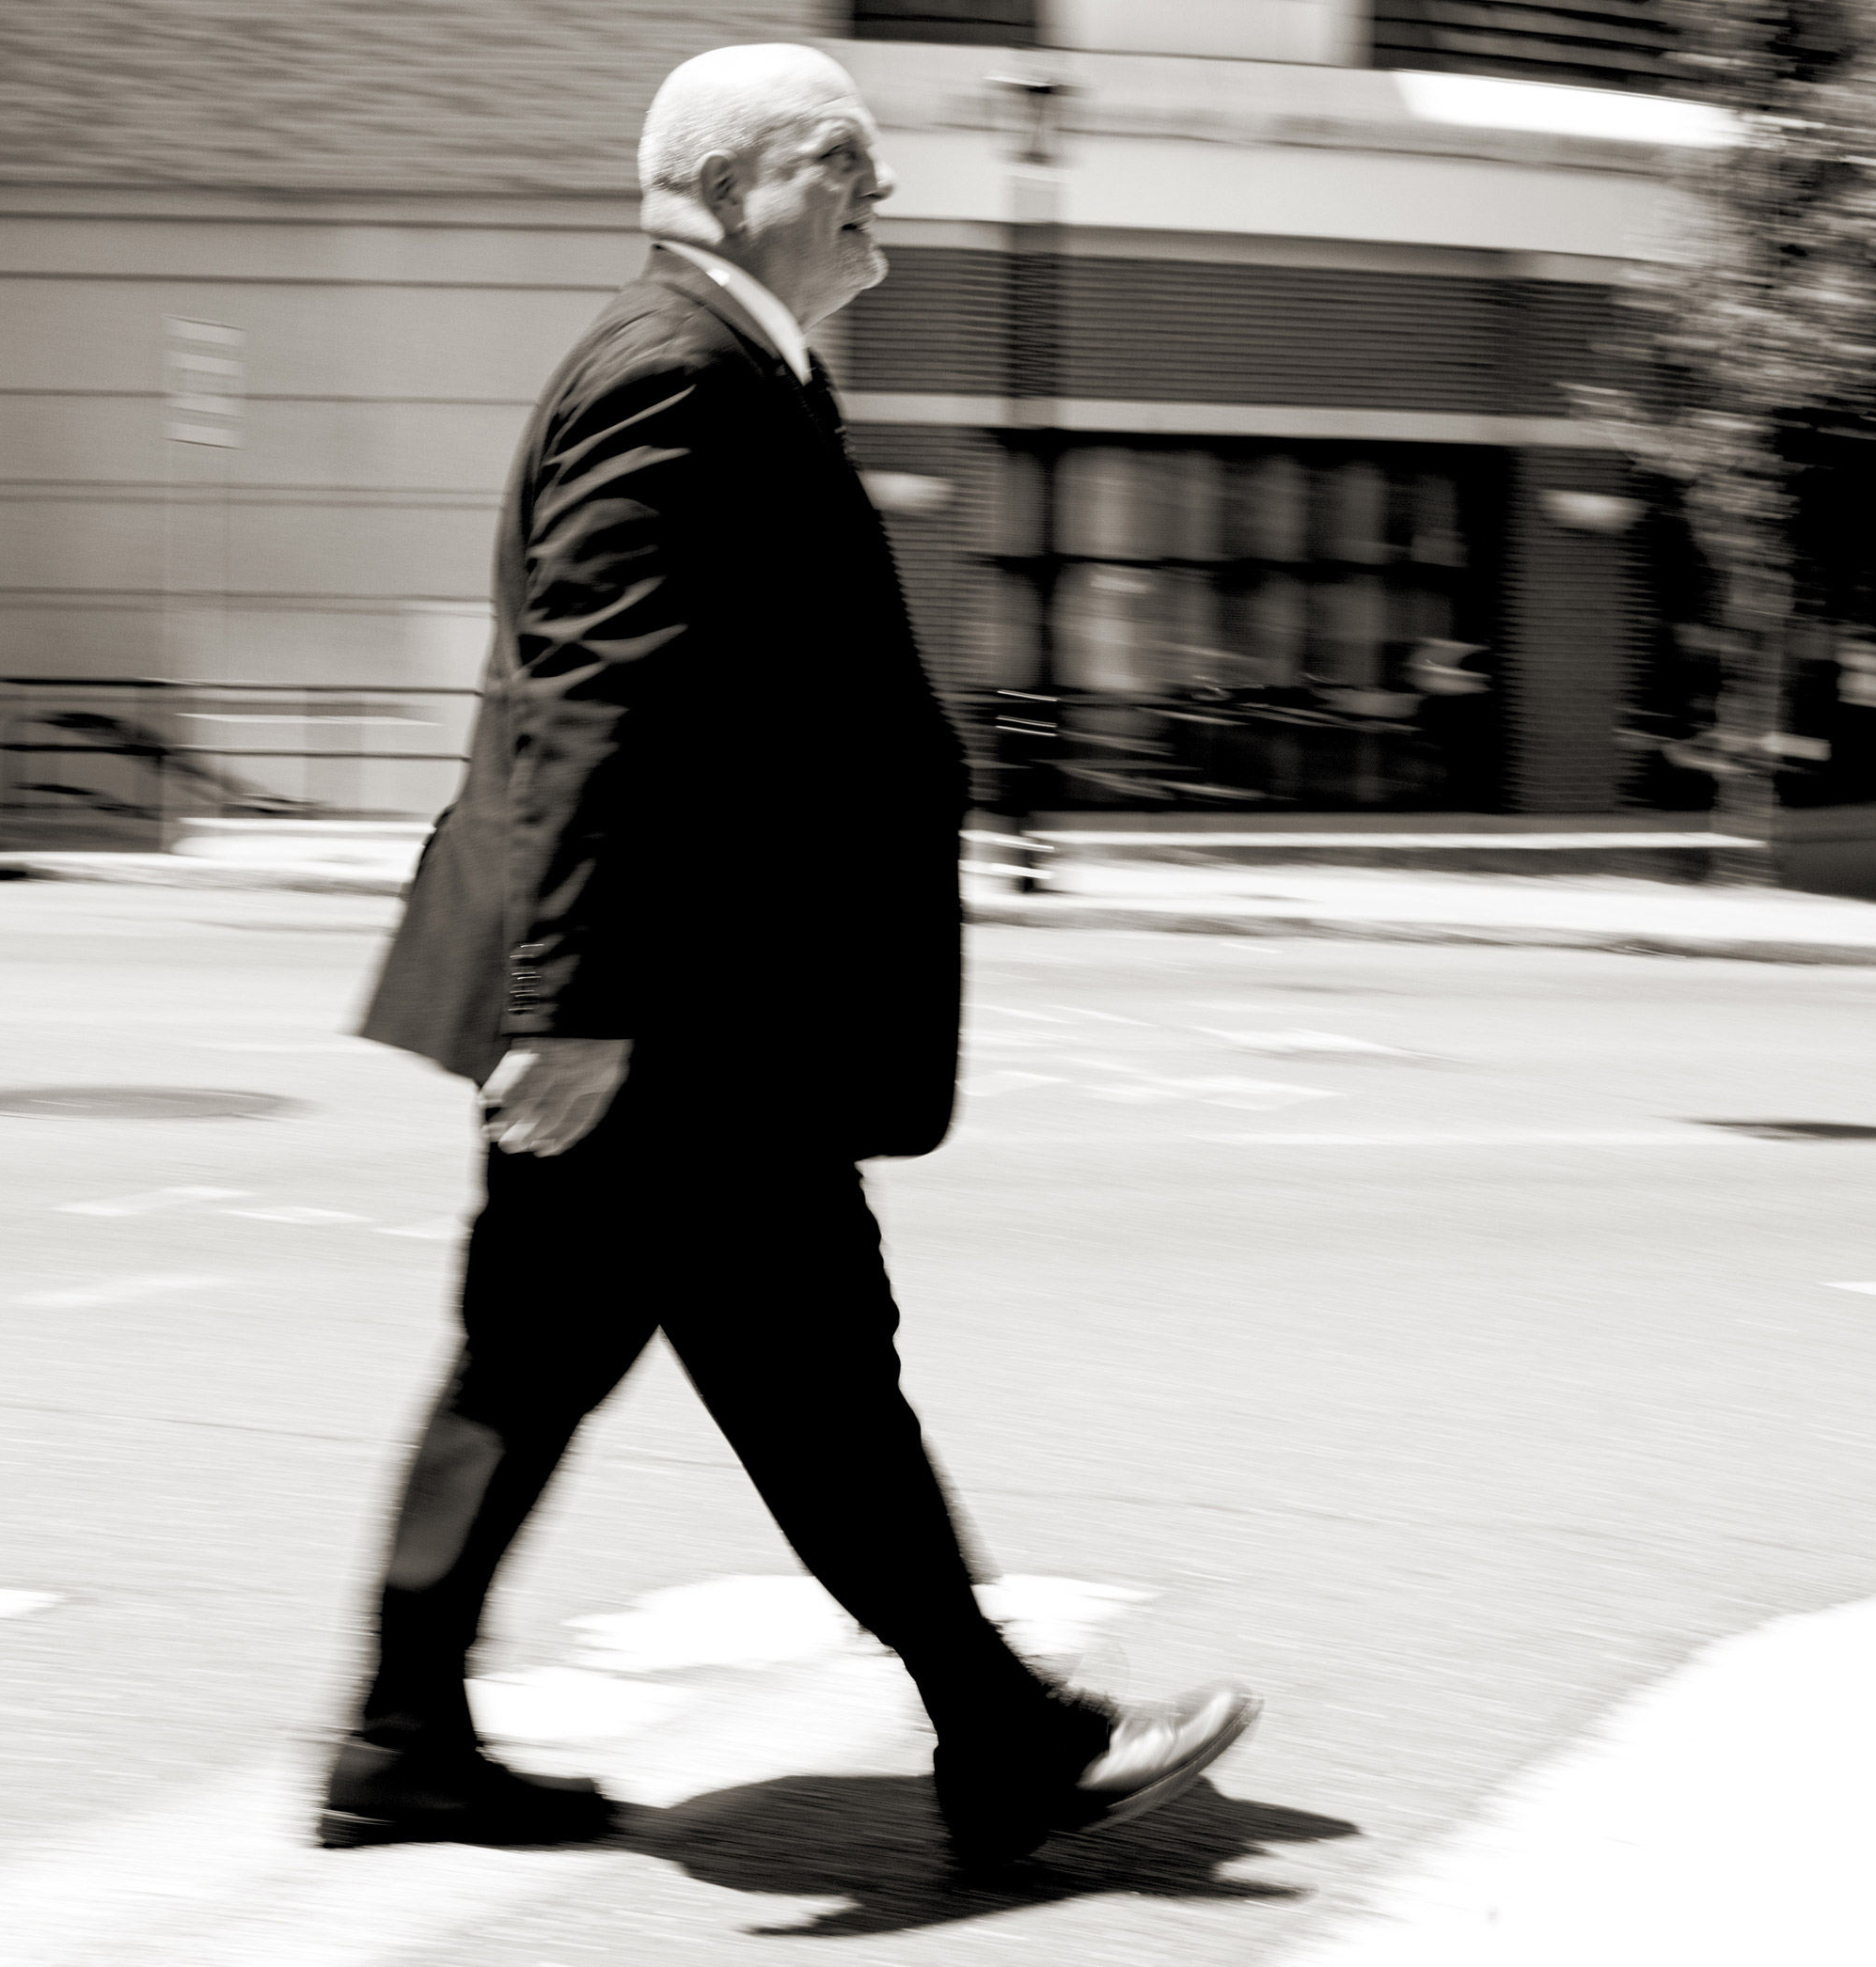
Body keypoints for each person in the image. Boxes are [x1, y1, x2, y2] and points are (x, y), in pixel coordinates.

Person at [328, 43, 1255, 1875]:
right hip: (678, 1012)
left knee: (527, 1359)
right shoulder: (679, 369)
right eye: (862, 181)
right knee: (815, 1365)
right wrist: (578, 1003)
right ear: (767, 179)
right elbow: (599, 691)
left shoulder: (722, 360)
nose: (883, 223)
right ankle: (1005, 1730)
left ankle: (401, 1733)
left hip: (662, 1000)